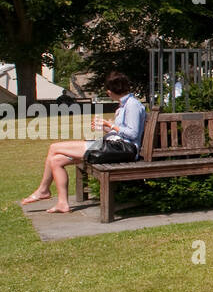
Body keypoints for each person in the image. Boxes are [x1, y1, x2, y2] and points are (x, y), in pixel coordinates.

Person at [21, 72, 145, 214]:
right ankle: (62, 203)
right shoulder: (125, 105)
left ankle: (43, 190)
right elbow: (123, 131)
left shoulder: (132, 105)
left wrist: (110, 125)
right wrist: (104, 127)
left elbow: (132, 134)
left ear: (109, 92)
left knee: (53, 147)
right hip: (113, 146)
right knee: (56, 160)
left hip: (122, 149)